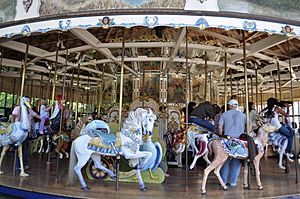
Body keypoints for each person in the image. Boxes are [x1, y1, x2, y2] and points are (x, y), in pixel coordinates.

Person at [219, 99, 246, 187]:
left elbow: (220, 127)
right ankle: (233, 182)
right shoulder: (243, 115)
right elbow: (250, 126)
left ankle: (223, 180)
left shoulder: (224, 114)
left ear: (229, 106)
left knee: (225, 160)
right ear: (236, 106)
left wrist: (220, 135)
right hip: (239, 140)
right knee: (237, 160)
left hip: (228, 139)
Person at [12, 96, 40, 170]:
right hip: (18, 131)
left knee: (24, 148)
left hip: (26, 132)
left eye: (29, 101)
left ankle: (24, 163)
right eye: (27, 101)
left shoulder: (29, 110)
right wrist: (13, 125)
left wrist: (46, 118)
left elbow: (37, 115)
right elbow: (13, 116)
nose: (28, 103)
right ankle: (18, 165)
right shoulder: (18, 108)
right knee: (19, 147)